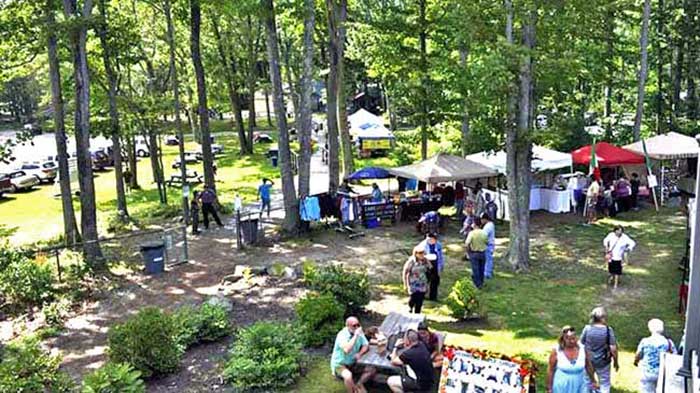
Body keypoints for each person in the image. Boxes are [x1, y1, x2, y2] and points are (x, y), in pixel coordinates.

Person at [330, 317, 376, 393]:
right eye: (354, 326)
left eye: (358, 325)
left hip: (353, 362)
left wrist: (360, 353)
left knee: (372, 369)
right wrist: (355, 336)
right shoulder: (342, 335)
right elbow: (346, 350)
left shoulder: (359, 333)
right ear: (347, 326)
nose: (357, 327)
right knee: (348, 376)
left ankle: (359, 384)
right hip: (340, 364)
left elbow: (366, 345)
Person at [546, 326, 598, 393]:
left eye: (574, 338)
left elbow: (588, 365)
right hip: (562, 385)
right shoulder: (556, 351)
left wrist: (593, 381)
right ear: (563, 339)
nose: (572, 341)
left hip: (580, 384)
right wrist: (549, 388)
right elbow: (551, 369)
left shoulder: (582, 349)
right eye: (568, 339)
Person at [580, 307, 619, 393]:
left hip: (589, 360)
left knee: (587, 381)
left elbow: (581, 343)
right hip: (603, 361)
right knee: (604, 382)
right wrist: (616, 362)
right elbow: (613, 348)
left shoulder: (587, 329)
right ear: (603, 318)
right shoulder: (608, 330)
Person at [635, 319, 677, 393]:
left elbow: (639, 354)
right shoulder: (668, 342)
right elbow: (674, 356)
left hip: (647, 372)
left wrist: (636, 362)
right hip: (662, 373)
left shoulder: (645, 341)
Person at [403, 247, 431, 313]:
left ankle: (417, 314)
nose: (422, 255)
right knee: (413, 298)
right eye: (420, 253)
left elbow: (430, 268)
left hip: (422, 283)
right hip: (413, 282)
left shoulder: (425, 261)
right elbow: (405, 272)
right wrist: (405, 284)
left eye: (423, 253)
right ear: (415, 254)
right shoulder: (411, 261)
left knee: (420, 299)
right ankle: (410, 307)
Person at [418, 233, 444, 301]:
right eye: (429, 240)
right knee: (424, 280)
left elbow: (441, 256)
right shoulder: (422, 245)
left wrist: (441, 266)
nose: (431, 241)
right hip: (425, 265)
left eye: (432, 240)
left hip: (435, 264)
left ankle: (433, 297)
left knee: (435, 281)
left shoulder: (438, 245)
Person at [465, 221, 488, 289]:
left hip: (474, 252)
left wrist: (468, 252)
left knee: (475, 269)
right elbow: (487, 242)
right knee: (481, 268)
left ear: (474, 224)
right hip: (482, 253)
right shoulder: (484, 233)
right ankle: (481, 281)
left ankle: (477, 284)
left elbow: (467, 243)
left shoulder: (472, 233)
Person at [481, 213, 496, 279]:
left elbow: (484, 235)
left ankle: (487, 273)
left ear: (485, 219)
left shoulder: (488, 226)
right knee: (487, 259)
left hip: (488, 245)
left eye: (482, 219)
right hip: (489, 244)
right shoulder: (489, 225)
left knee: (488, 259)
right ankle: (487, 272)